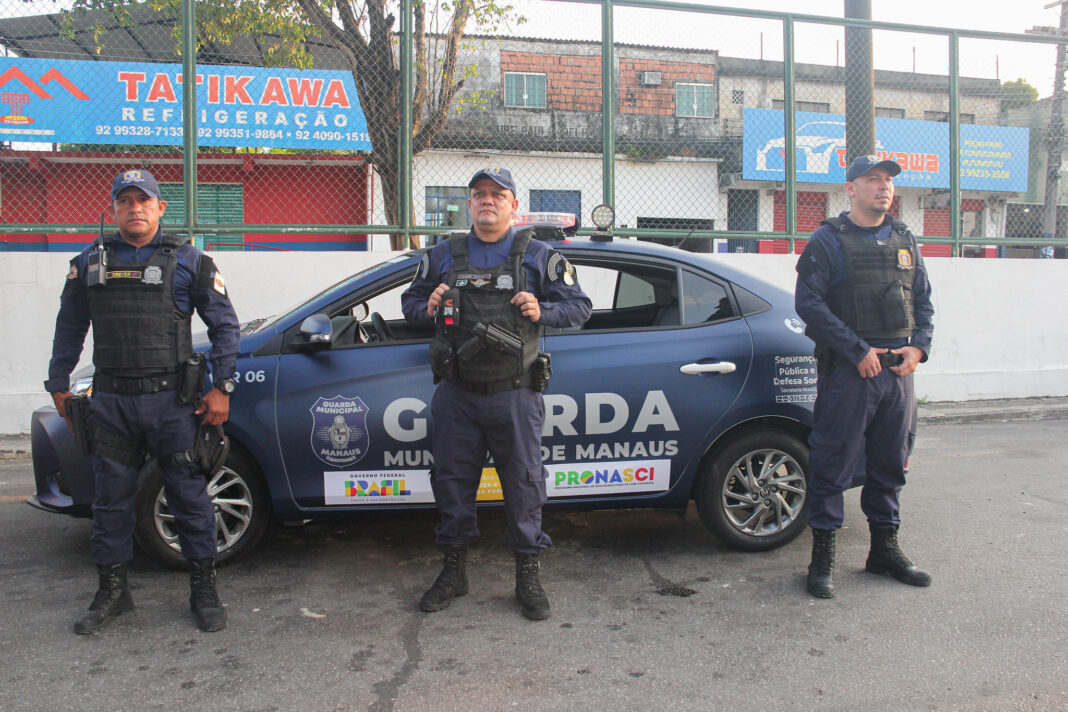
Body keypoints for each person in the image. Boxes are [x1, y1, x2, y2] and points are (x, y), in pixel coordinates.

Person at [45, 169, 241, 633]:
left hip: (172, 403)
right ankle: (113, 591)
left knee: (189, 498)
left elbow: (225, 327)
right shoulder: (89, 262)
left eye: (143, 200)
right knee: (110, 501)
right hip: (112, 402)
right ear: (113, 208)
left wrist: (222, 386)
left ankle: (204, 591)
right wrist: (58, 383)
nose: (135, 208)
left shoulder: (191, 261)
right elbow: (70, 326)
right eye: (125, 201)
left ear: (160, 207)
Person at [402, 167, 592, 620]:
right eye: (479, 194)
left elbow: (580, 307)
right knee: (452, 484)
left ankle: (527, 575)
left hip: (515, 394)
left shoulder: (540, 256)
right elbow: (410, 304)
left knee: (524, 486)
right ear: (469, 203)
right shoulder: (441, 255)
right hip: (457, 395)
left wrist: (542, 310)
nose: (488, 200)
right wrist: (428, 307)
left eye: (498, 194)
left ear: (513, 205)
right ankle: (454, 572)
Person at [794, 155, 935, 599]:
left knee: (890, 464)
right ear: (850, 188)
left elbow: (923, 302)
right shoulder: (828, 239)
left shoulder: (905, 238)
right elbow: (809, 304)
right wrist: (856, 350)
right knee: (832, 464)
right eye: (873, 179)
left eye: (888, 179)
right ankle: (822, 559)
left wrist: (919, 347)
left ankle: (884, 552)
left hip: (897, 375)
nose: (884, 186)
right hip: (850, 374)